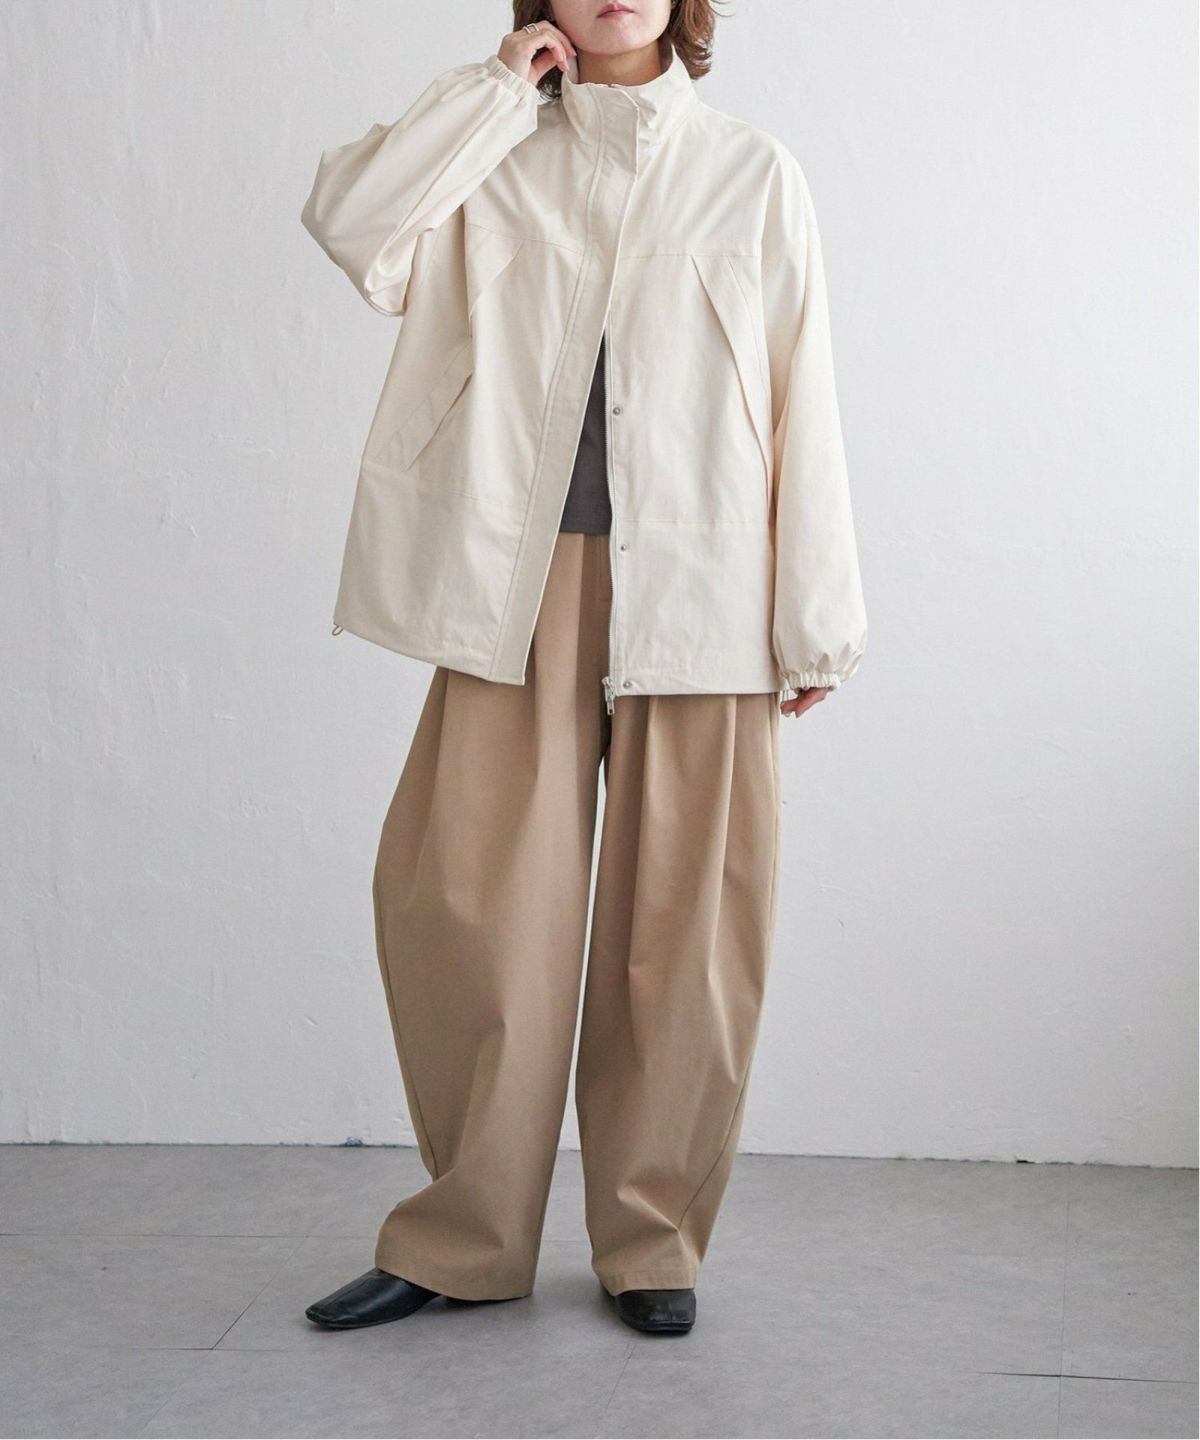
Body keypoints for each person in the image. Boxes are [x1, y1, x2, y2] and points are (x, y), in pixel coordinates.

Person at [298, 0, 867, 1337]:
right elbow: (353, 225)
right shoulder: (491, 149)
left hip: (706, 591)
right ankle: (463, 1239)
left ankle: (651, 1242)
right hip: (515, 583)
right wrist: (496, 91)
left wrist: (815, 613)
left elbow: (806, 388)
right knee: (470, 910)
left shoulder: (752, 173)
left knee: (688, 936)